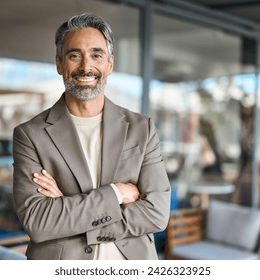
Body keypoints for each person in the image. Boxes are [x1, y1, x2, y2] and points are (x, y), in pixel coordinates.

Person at [12, 13, 171, 260]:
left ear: (110, 64)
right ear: (59, 64)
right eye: (75, 55)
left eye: (96, 55)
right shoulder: (30, 135)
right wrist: (117, 194)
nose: (86, 67)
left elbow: (157, 214)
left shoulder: (143, 128)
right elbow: (39, 221)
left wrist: (68, 210)